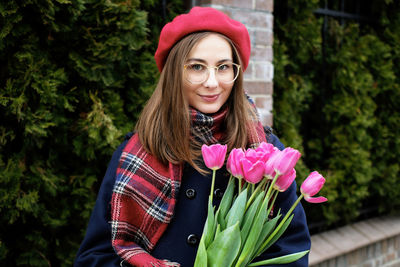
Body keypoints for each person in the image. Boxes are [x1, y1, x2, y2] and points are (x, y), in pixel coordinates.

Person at [74, 6, 311, 267]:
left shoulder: (267, 155)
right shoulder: (134, 154)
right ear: (174, 73)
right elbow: (94, 257)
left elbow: (292, 250)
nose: (212, 82)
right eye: (197, 67)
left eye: (223, 67)